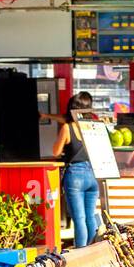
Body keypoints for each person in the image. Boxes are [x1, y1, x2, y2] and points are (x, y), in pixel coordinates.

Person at [54, 93, 102, 247]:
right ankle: (93, 249)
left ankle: (81, 252)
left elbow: (55, 151)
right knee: (90, 216)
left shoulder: (68, 128)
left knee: (79, 218)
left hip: (75, 174)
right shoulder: (93, 126)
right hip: (93, 173)